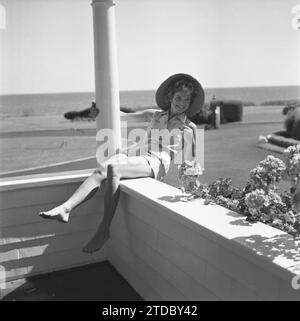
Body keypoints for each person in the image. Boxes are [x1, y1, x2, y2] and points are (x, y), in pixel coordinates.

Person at [38, 73, 205, 253]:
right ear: (171, 96)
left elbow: (190, 160)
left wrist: (191, 182)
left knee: (113, 169)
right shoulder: (155, 115)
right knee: (101, 171)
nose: (182, 102)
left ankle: (104, 230)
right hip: (136, 153)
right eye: (179, 97)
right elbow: (123, 116)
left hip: (156, 162)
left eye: (186, 100)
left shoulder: (189, 127)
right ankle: (66, 208)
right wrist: (98, 109)